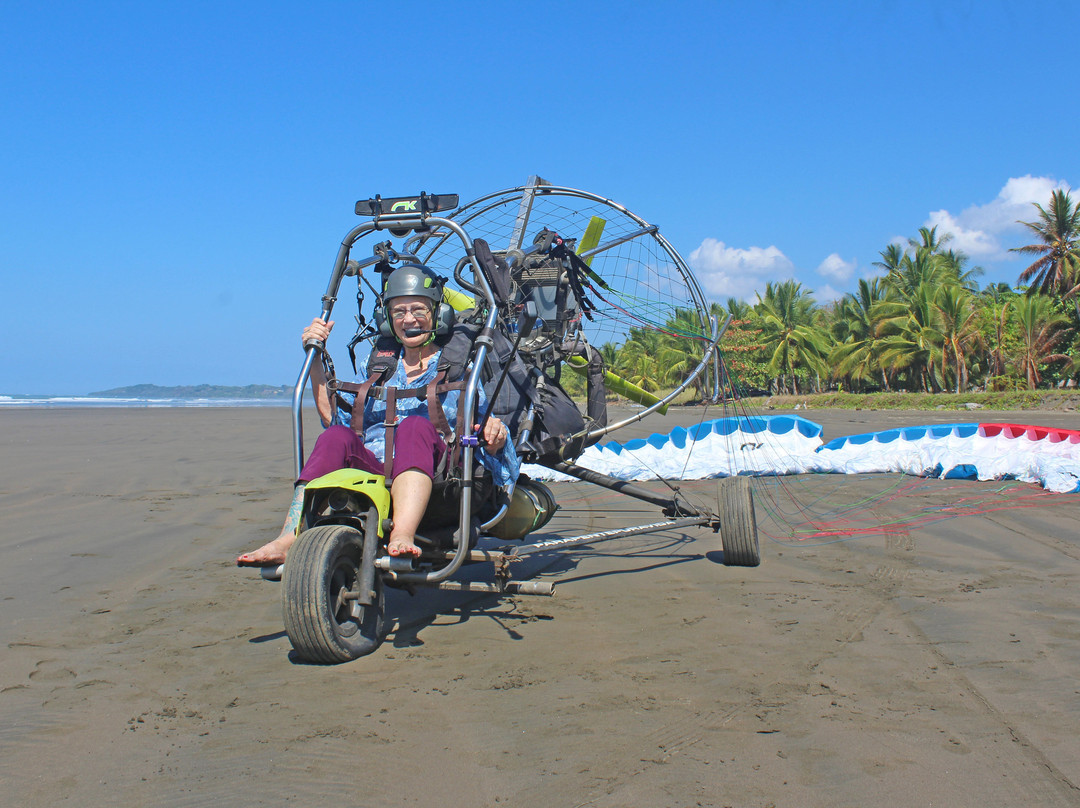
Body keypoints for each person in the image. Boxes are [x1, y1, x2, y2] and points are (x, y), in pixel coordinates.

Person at [237, 264, 518, 566]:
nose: (408, 319)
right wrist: (316, 356)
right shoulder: (379, 370)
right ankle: (290, 535)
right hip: (374, 471)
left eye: (418, 309)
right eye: (398, 312)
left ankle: (402, 533)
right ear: (387, 320)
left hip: (440, 478)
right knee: (335, 436)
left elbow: (489, 439)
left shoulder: (461, 369)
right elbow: (334, 417)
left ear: (438, 314)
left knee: (413, 427)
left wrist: (494, 434)